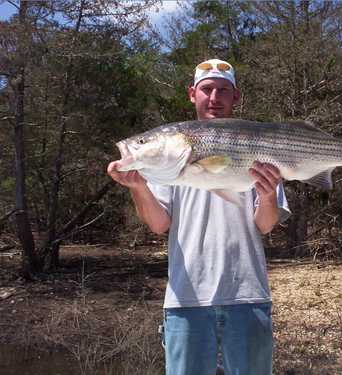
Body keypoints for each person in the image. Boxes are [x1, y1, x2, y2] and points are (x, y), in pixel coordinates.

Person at [107, 58, 291, 375]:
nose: (214, 98)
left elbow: (265, 225)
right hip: (184, 300)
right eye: (207, 89)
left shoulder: (257, 146)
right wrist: (138, 186)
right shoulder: (165, 167)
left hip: (247, 295)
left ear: (236, 97)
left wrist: (266, 193)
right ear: (192, 94)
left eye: (223, 90)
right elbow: (158, 224)